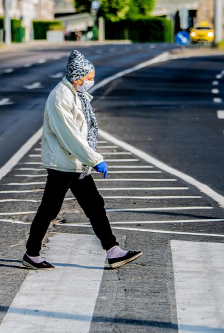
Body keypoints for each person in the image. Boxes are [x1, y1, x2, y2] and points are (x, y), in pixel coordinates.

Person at [22, 50, 142, 270]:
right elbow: (70, 135)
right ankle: (31, 253)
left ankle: (113, 250)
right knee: (50, 209)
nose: (91, 82)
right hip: (63, 164)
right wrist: (95, 159)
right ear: (77, 77)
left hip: (75, 163)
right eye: (88, 78)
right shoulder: (61, 97)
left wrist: (88, 159)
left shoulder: (75, 94)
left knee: (95, 205)